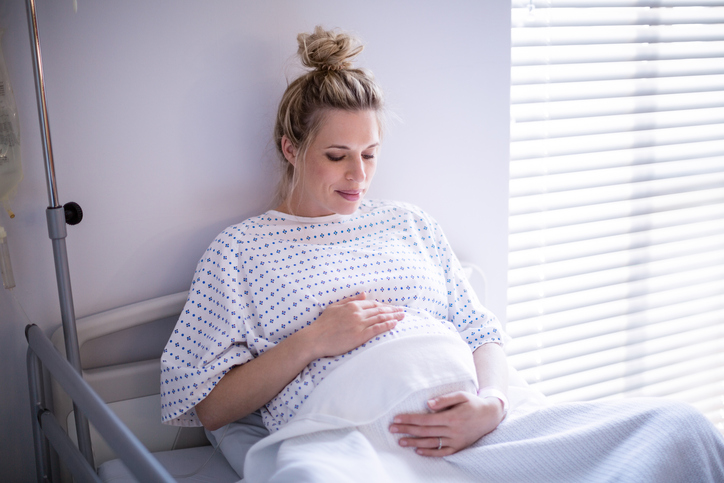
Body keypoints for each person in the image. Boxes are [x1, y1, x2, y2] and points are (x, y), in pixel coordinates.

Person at [161, 26, 724, 483]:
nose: (359, 177)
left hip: (480, 426)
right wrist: (315, 340)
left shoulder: (408, 223)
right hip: (352, 439)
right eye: (337, 156)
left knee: (680, 428)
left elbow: (480, 329)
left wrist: (494, 404)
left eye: (370, 154)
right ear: (291, 147)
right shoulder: (241, 251)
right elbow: (208, 407)